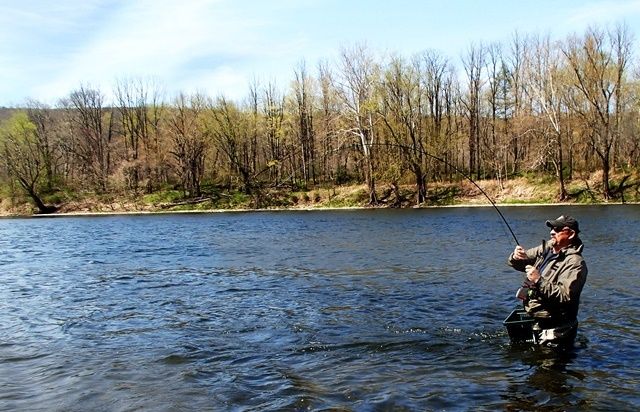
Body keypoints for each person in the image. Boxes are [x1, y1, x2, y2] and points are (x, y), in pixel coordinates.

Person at [508, 215, 588, 346]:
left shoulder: (575, 263)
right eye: (552, 228)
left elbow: (565, 296)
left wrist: (538, 280)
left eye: (557, 229)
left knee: (551, 365)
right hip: (537, 321)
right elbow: (520, 262)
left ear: (571, 234)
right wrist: (516, 256)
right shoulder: (547, 248)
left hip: (558, 329)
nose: (552, 232)